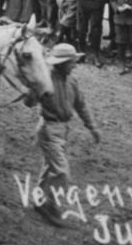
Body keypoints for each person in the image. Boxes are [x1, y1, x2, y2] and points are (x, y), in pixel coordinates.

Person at [24, 43, 100, 228]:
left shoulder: (72, 81)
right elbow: (29, 102)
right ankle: (51, 206)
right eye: (72, 61)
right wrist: (35, 89)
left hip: (63, 129)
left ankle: (41, 201)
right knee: (61, 171)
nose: (75, 64)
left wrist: (92, 126)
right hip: (49, 129)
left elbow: (81, 104)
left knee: (50, 167)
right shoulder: (45, 79)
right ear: (62, 63)